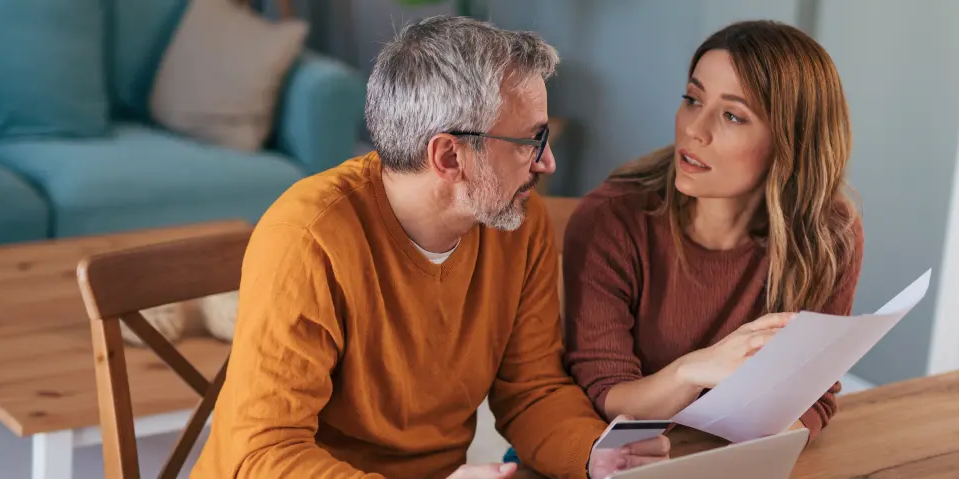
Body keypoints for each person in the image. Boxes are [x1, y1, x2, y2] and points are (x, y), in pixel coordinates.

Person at [192, 15, 668, 479]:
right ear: (448, 155)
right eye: (531, 140)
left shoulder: (518, 223)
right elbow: (263, 456)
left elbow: (533, 390)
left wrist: (594, 454)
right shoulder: (306, 239)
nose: (547, 161)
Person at [561, 20, 864, 442]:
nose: (693, 129)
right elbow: (605, 395)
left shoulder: (828, 232)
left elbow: (813, 399)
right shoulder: (611, 221)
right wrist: (694, 371)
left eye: (732, 116)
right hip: (613, 456)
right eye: (692, 99)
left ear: (790, 141)